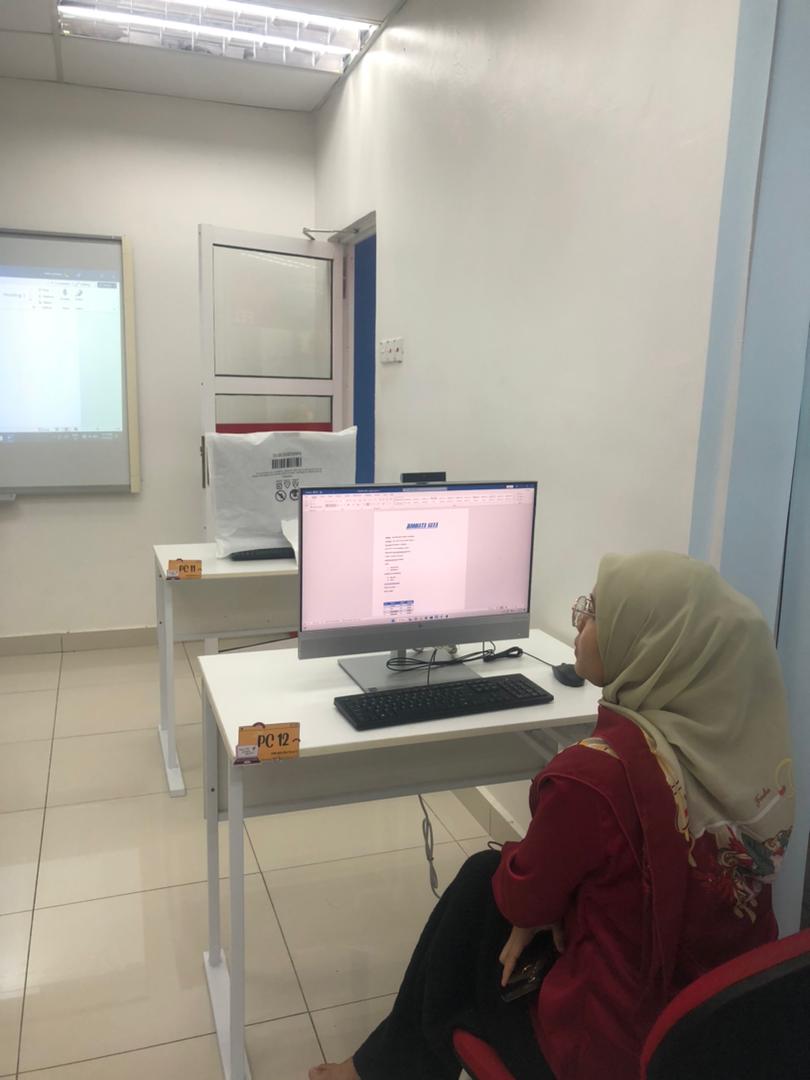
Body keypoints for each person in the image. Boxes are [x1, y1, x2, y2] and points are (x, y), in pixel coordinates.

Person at [308, 552, 794, 1080]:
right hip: (713, 1038)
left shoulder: (595, 776)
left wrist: (538, 909)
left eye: (596, 612)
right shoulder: (755, 770)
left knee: (475, 903)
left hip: (605, 1050)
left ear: (651, 646)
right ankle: (379, 1066)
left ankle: (384, 1068)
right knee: (490, 880)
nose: (580, 622)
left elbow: (522, 898)